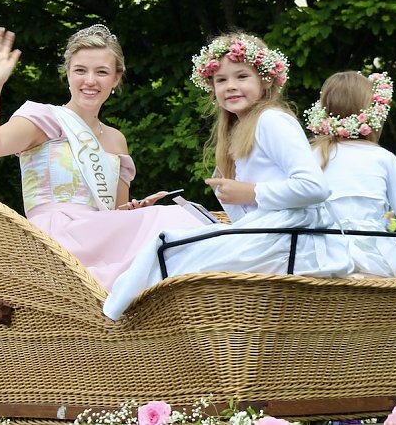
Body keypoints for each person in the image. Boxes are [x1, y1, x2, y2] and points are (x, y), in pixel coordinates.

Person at [103, 30, 341, 319]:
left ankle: (118, 317)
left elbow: (315, 187)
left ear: (265, 80)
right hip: (271, 229)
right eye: (221, 80)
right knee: (173, 246)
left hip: (289, 234)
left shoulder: (272, 120)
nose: (231, 86)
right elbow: (247, 215)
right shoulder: (237, 131)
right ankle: (134, 314)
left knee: (166, 247)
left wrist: (249, 192)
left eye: (242, 76)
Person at [0, 24, 206, 289]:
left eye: (102, 72)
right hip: (55, 238)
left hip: (100, 235)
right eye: (80, 70)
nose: (90, 81)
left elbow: (116, 212)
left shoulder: (117, 140)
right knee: (171, 219)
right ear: (68, 73)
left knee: (183, 223)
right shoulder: (44, 118)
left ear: (116, 79)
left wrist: (133, 212)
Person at [305, 71, 396, 277]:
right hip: (371, 258)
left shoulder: (309, 156)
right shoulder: (383, 158)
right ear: (373, 112)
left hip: (318, 256)